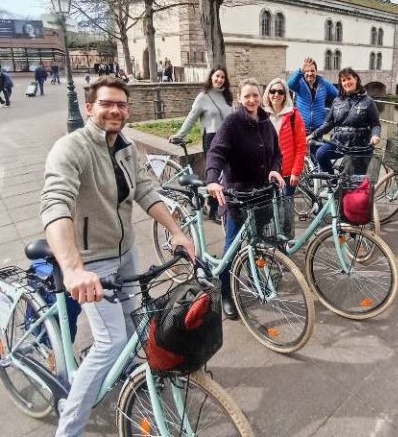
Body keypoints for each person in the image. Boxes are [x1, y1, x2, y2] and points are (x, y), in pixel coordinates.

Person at [40, 75, 195, 437]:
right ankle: (69, 429)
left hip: (125, 253)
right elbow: (55, 204)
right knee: (110, 343)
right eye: (106, 104)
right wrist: (74, 269)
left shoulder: (125, 146)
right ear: (89, 108)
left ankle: (123, 378)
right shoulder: (71, 149)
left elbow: (146, 191)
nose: (115, 110)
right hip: (92, 260)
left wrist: (176, 231)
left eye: (121, 104)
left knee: (130, 326)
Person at [206, 78, 284, 319]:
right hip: (238, 196)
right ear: (240, 98)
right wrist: (212, 179)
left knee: (256, 240)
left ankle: (252, 273)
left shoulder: (265, 121)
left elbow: (277, 153)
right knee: (232, 246)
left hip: (262, 194)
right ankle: (226, 293)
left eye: (255, 95)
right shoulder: (232, 123)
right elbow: (216, 152)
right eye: (247, 96)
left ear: (261, 97)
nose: (252, 100)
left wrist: (275, 169)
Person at [172, 66, 233, 222]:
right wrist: (179, 135)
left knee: (228, 173)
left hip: (228, 139)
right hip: (211, 138)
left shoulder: (227, 97)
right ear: (211, 77)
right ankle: (213, 209)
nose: (219, 79)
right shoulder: (203, 97)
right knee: (215, 174)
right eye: (217, 76)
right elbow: (191, 118)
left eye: (222, 77)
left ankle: (225, 205)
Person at [311, 67, 381, 173]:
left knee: (353, 177)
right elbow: (328, 124)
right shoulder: (337, 101)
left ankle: (350, 180)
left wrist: (375, 135)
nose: (346, 82)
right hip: (339, 143)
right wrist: (313, 135)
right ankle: (332, 180)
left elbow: (375, 124)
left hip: (359, 146)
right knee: (321, 154)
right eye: (343, 80)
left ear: (355, 79)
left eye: (349, 79)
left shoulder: (368, 101)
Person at [263, 77, 307, 196]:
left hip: (287, 174)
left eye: (280, 92)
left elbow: (301, 147)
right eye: (273, 91)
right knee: (268, 206)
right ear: (268, 93)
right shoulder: (262, 116)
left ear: (285, 95)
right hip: (267, 172)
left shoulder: (294, 115)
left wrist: (296, 172)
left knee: (286, 205)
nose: (276, 94)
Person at [287, 57, 339, 135]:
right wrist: (301, 70)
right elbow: (290, 84)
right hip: (301, 128)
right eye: (307, 71)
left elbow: (338, 95)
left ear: (316, 71)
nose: (310, 74)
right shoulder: (299, 83)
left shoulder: (324, 83)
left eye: (312, 71)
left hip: (318, 130)